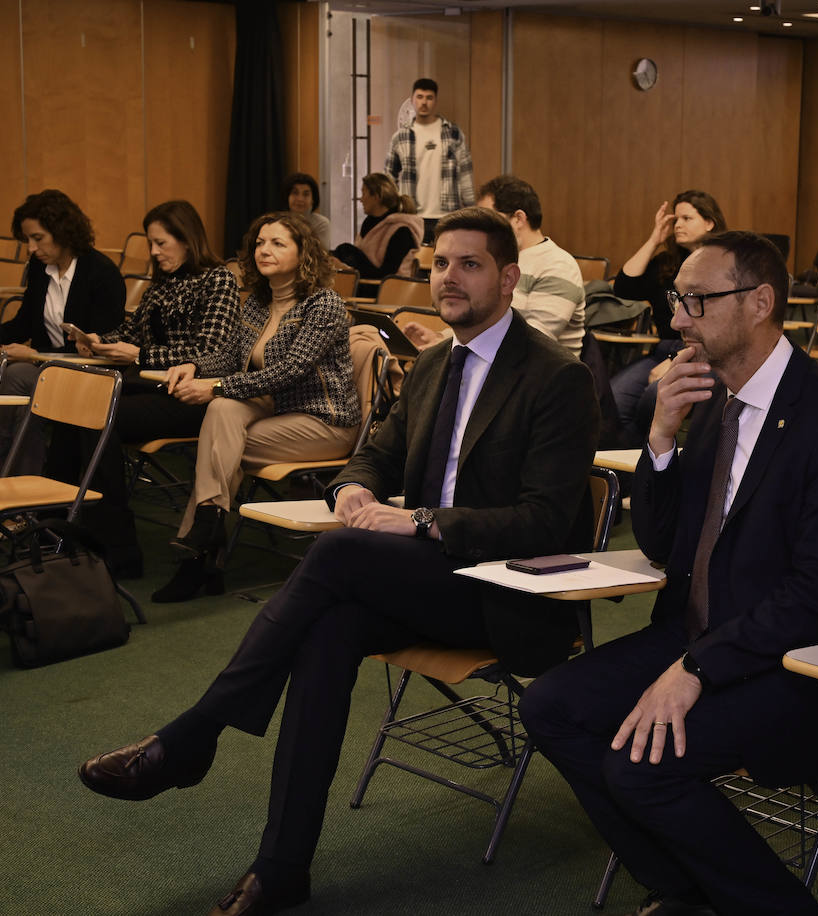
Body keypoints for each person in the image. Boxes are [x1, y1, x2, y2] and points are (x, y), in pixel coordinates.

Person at [76, 207, 600, 916]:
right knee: (329, 628)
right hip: (428, 580)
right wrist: (355, 486)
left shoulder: (556, 377)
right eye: (441, 262)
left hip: (507, 594)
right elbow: (375, 451)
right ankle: (281, 868)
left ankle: (192, 736)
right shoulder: (436, 362)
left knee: (345, 552)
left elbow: (542, 521)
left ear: (508, 278)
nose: (448, 277)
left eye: (469, 265)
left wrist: (416, 520)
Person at [522, 231, 818, 916]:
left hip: (804, 664)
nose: (675, 320)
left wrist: (697, 668)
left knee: (642, 770)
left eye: (695, 301)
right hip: (703, 635)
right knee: (550, 708)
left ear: (760, 303)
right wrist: (662, 439)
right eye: (678, 300)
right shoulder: (707, 401)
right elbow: (667, 548)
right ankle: (687, 891)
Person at [153, 212, 361, 603]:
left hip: (323, 422)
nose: (265, 250)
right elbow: (230, 354)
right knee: (221, 414)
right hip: (273, 412)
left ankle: (199, 556)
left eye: (278, 243)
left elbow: (290, 371)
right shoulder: (258, 303)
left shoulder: (324, 304)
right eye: (260, 242)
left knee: (216, 446)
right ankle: (209, 527)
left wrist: (214, 386)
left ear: (304, 253)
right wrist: (195, 366)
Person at [57, 199, 240, 578]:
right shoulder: (164, 284)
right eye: (151, 244)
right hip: (154, 387)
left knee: (100, 416)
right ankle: (64, 523)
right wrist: (97, 340)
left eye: (161, 243)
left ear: (187, 240)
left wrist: (140, 355)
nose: (154, 252)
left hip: (194, 396)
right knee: (71, 404)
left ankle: (116, 547)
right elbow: (130, 332)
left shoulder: (217, 279)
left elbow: (211, 354)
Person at [0, 189, 125, 475]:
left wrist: (35, 355)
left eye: (38, 238)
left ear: (63, 232)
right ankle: (3, 476)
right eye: (28, 240)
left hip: (89, 374)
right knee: (13, 375)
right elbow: (26, 321)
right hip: (49, 369)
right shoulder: (39, 267)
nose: (31, 248)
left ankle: (18, 487)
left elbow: (99, 346)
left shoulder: (101, 274)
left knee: (22, 379)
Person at [402, 174, 585, 355]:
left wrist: (445, 344)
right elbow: (484, 323)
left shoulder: (558, 265)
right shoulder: (493, 259)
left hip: (536, 377)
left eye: (489, 216)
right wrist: (440, 339)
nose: (479, 226)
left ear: (518, 219)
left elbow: (534, 338)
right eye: (441, 263)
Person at [609, 190, 727, 447]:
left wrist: (676, 360)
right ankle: (634, 475)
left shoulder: (722, 264)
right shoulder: (667, 262)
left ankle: (657, 466)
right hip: (661, 350)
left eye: (687, 218)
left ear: (709, 222)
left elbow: (720, 326)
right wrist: (654, 239)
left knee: (654, 398)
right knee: (614, 399)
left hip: (705, 353)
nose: (678, 225)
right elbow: (623, 288)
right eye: (676, 220)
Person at [385, 77, 475, 242]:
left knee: (445, 261)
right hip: (412, 215)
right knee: (413, 263)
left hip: (447, 214)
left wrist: (471, 209)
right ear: (412, 100)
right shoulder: (400, 137)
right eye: (419, 97)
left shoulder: (453, 133)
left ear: (435, 101)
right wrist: (393, 210)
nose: (424, 102)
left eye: (429, 97)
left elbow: (465, 172)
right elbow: (389, 177)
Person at [329, 172, 424, 279]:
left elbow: (386, 275)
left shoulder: (402, 231)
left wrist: (347, 269)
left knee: (345, 250)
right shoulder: (369, 224)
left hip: (387, 290)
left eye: (364, 193)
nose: (361, 199)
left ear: (377, 197)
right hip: (364, 282)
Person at [282, 173, 332, 251]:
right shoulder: (278, 222)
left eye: (306, 194)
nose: (300, 199)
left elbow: (321, 254)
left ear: (312, 199)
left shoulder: (321, 223)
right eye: (295, 193)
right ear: (287, 197)